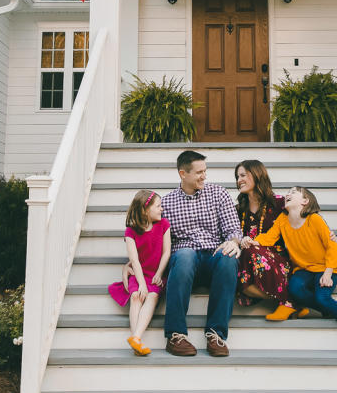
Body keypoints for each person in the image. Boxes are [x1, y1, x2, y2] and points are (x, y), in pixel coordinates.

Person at [253, 186, 337, 356]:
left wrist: (329, 272)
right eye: (287, 192)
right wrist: (252, 241)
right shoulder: (282, 220)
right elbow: (269, 238)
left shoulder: (315, 220)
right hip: (304, 269)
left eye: (294, 192)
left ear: (305, 201)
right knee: (294, 290)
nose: (288, 194)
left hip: (325, 267)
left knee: (323, 298)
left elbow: (332, 247)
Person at [161, 150, 241, 358]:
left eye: (205, 171)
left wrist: (233, 243)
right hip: (185, 261)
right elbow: (156, 239)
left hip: (214, 254)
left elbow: (233, 229)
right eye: (198, 172)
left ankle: (216, 334)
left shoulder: (218, 193)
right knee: (185, 255)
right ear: (182, 174)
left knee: (228, 257)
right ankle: (175, 335)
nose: (204, 176)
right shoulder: (167, 203)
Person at [107, 189, 171, 356]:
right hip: (139, 273)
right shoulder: (131, 231)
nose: (161, 209)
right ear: (145, 209)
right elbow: (134, 260)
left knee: (152, 296)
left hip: (156, 273)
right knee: (136, 296)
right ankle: (136, 340)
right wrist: (141, 283)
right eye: (158, 206)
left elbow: (167, 252)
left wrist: (159, 273)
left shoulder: (164, 224)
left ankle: (135, 338)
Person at [233, 159, 296, 320]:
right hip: (249, 261)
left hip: (278, 259)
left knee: (251, 250)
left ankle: (290, 301)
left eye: (243, 175)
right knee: (238, 278)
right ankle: (292, 301)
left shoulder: (280, 203)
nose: (239, 180)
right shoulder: (239, 209)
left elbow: (307, 217)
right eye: (237, 177)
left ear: (257, 174)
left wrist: (327, 233)